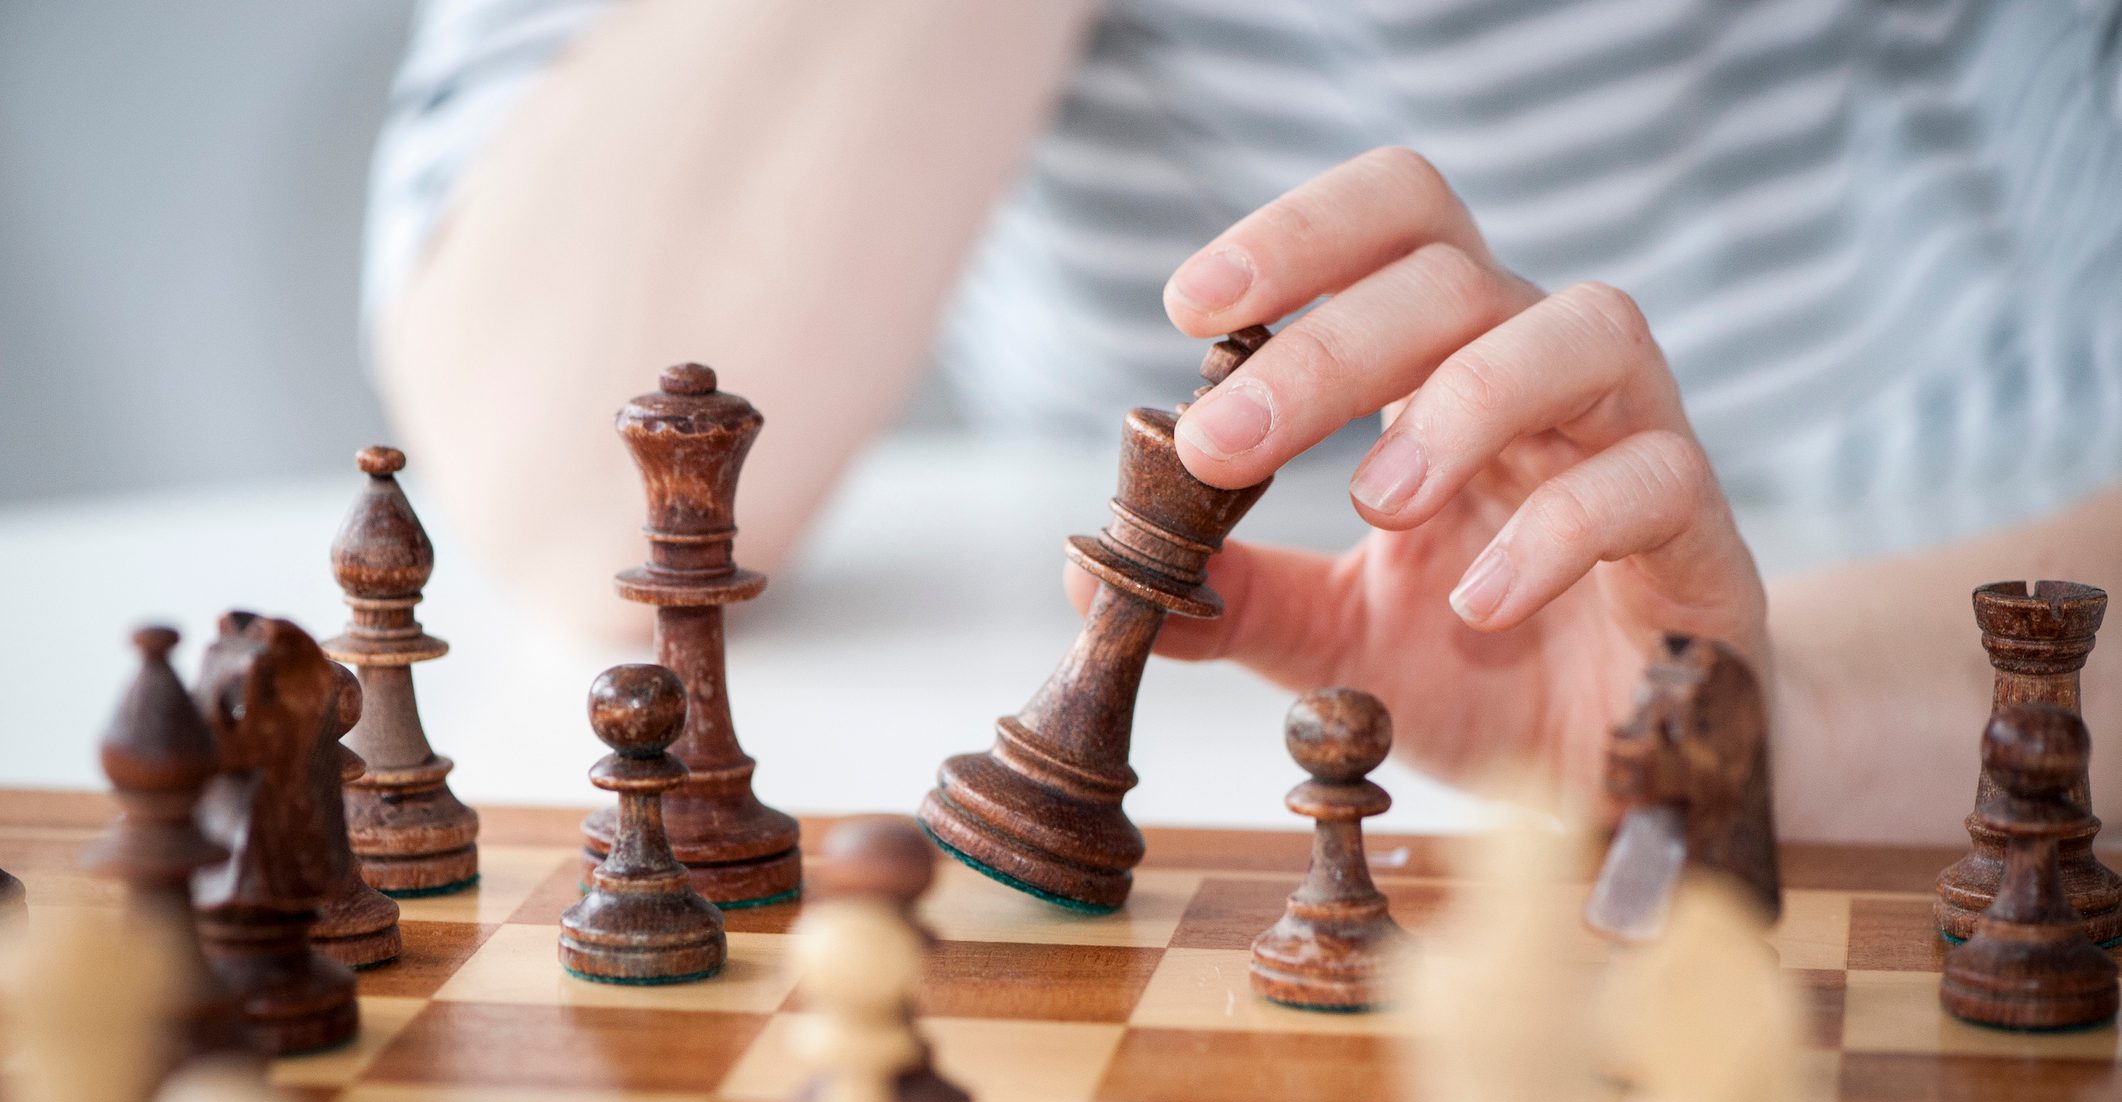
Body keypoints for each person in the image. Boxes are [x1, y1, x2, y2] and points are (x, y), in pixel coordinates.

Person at [364, 0, 2122, 843]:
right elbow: (573, 496)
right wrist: (1740, 734)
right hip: (1230, 636)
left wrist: (1774, 722)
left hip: (2007, 557)